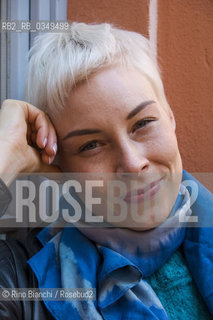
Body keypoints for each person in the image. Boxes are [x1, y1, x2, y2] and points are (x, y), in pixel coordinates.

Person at [0, 22, 212, 320]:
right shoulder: (18, 286)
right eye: (91, 145)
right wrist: (4, 152)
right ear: (58, 163)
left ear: (170, 117)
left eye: (142, 124)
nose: (132, 163)